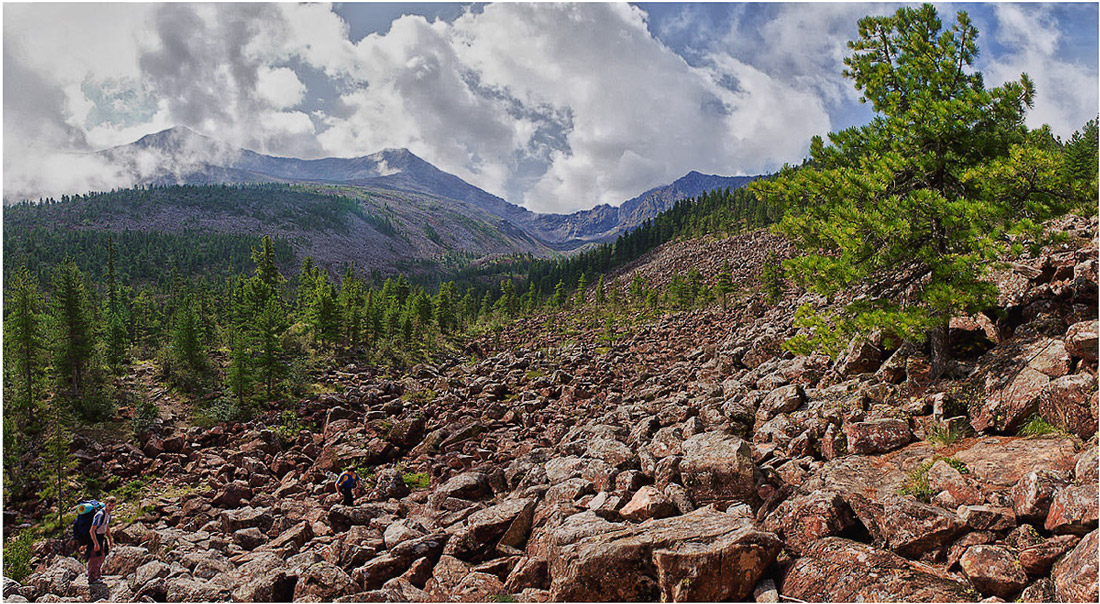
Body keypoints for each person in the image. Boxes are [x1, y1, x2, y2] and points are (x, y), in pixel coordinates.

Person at [87, 497, 116, 584]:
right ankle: (92, 578)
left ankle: (97, 575)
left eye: (113, 506)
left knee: (101, 557)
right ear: (106, 503)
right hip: (95, 537)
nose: (111, 507)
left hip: (102, 537)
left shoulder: (108, 514)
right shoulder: (100, 514)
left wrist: (110, 539)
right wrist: (96, 543)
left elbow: (106, 527)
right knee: (94, 558)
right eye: (110, 505)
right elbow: (92, 530)